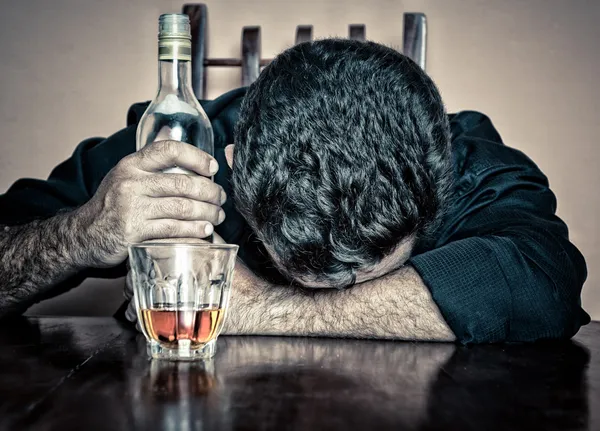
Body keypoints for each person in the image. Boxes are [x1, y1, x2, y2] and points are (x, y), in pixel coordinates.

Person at [0, 39, 589, 344]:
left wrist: (257, 308)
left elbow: (545, 280)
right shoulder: (189, 147)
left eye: (363, 273)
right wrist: (81, 232)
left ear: (440, 183)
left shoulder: (464, 158)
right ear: (233, 164)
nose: (340, 289)